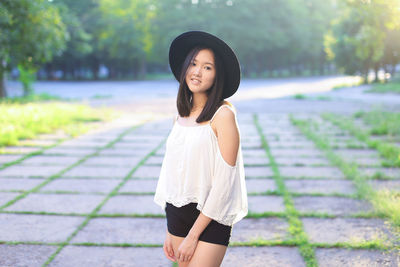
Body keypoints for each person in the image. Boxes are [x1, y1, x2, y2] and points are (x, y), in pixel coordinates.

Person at [154, 31, 248, 267]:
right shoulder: (180, 117)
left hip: (212, 217)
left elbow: (225, 184)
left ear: (217, 75)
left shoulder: (223, 115)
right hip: (177, 215)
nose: (197, 72)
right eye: (194, 64)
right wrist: (170, 228)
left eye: (207, 67)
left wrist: (193, 235)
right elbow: (172, 174)